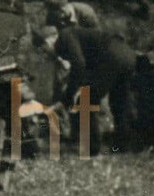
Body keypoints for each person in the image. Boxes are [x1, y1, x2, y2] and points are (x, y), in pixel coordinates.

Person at [33, 24, 140, 152]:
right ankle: (125, 145)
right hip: (127, 56)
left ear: (49, 40)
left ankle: (92, 148)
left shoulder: (65, 36)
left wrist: (70, 95)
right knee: (119, 101)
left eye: (43, 50)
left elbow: (79, 65)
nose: (45, 55)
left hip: (112, 57)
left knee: (85, 100)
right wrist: (67, 99)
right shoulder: (73, 35)